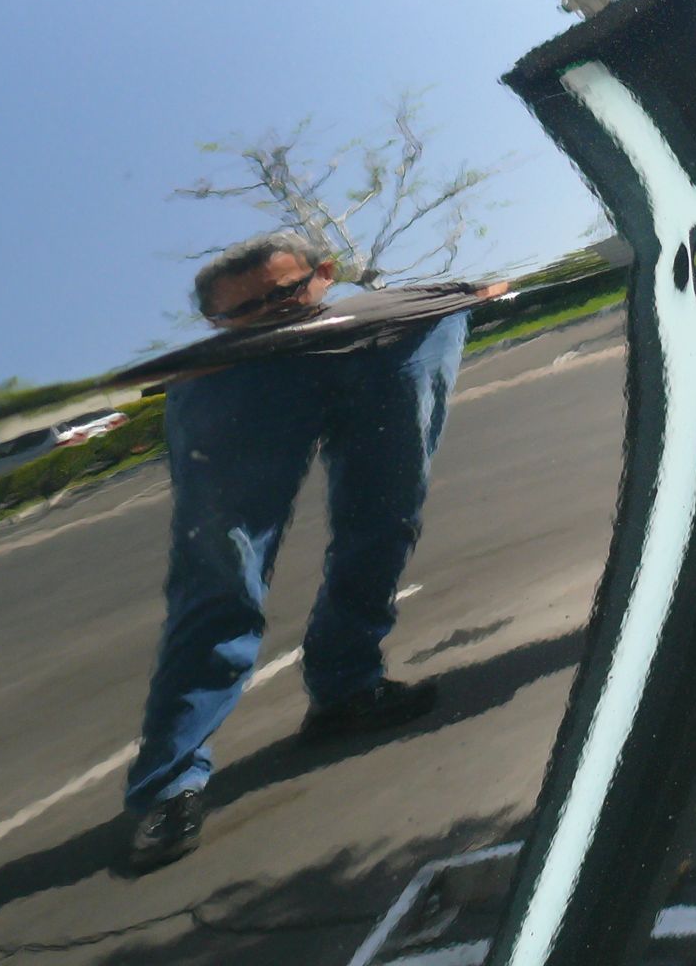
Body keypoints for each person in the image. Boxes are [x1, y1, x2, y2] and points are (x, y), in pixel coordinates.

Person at [122, 231, 468, 872]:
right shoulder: (222, 348)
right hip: (239, 379)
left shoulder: (378, 303)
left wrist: (464, 293)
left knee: (386, 519)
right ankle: (169, 785)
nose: (273, 316)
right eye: (245, 312)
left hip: (382, 343)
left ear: (326, 273)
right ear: (214, 321)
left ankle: (346, 688)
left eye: (285, 295)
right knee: (222, 569)